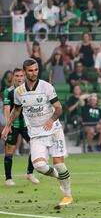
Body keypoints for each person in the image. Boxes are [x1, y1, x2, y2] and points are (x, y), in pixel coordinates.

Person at [1, 59, 73, 208]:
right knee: (39, 165)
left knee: (59, 164)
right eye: (30, 71)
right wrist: (8, 126)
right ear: (25, 71)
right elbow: (16, 110)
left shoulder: (46, 87)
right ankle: (59, 177)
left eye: (36, 70)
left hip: (53, 130)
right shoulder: (19, 91)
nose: (34, 73)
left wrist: (51, 119)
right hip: (35, 134)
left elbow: (59, 108)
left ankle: (67, 195)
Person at [3, 68, 39, 186]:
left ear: (25, 76)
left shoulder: (30, 90)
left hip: (27, 125)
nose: (19, 78)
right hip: (14, 125)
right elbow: (7, 108)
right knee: (10, 151)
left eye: (21, 76)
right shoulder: (8, 91)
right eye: (17, 76)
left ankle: (29, 173)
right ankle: (8, 179)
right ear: (13, 76)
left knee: (35, 147)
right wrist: (9, 125)